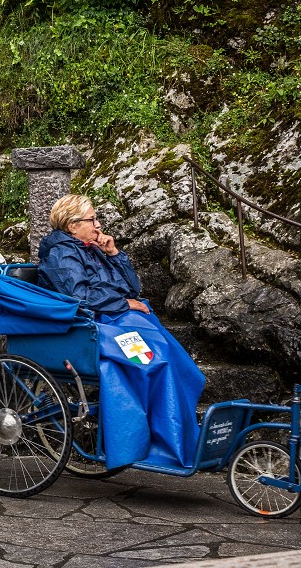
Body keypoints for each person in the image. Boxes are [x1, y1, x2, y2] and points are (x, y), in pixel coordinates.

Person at [36, 193, 205, 470]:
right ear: (71, 225)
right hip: (100, 325)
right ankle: (165, 447)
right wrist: (123, 302)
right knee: (155, 362)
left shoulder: (90, 248)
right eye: (92, 219)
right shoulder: (62, 253)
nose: (98, 225)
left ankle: (184, 441)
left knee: (181, 366)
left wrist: (113, 253)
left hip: (123, 320)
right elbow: (80, 297)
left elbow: (133, 287)